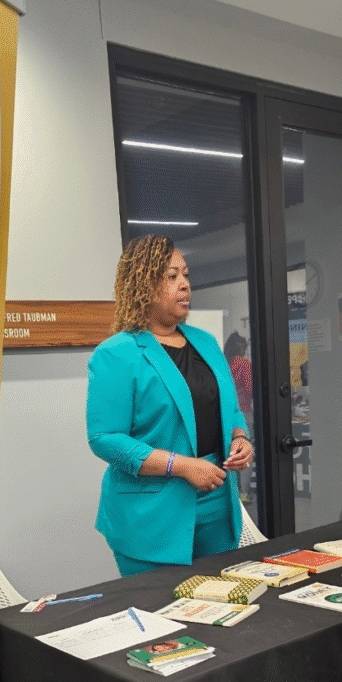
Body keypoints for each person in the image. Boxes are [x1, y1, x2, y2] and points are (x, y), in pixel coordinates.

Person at [87, 235, 253, 576]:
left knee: (217, 601)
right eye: (171, 277)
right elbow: (105, 438)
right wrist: (183, 466)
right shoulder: (117, 353)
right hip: (151, 516)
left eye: (186, 275)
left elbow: (231, 410)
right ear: (143, 287)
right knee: (163, 609)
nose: (185, 285)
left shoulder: (206, 343)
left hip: (217, 505)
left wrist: (240, 438)